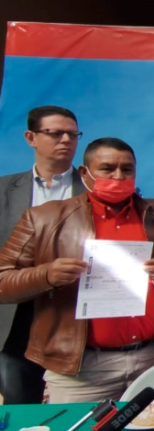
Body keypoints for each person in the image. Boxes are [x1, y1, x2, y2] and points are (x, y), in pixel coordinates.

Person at [0, 137, 154, 403]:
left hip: (153, 358)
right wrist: (47, 275)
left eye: (127, 169)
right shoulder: (43, 218)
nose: (118, 176)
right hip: (81, 369)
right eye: (107, 169)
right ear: (84, 172)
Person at [0, 105, 85, 403]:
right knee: (21, 410)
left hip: (74, 313)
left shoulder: (95, 190)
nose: (66, 140)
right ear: (31, 138)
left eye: (73, 134)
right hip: (15, 316)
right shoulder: (3, 190)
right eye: (56, 133)